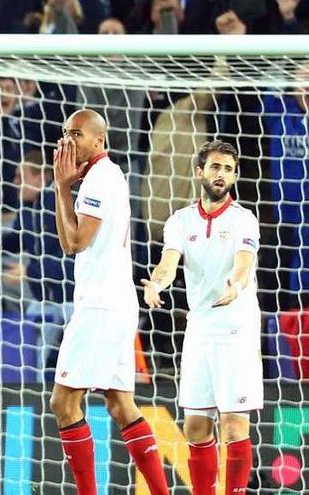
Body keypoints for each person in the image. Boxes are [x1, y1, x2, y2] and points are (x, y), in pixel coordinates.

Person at [49, 109, 168, 495]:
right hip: (115, 302)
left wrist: (59, 187)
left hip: (101, 306)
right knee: (120, 404)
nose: (69, 141)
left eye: (78, 134)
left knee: (63, 404)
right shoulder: (103, 176)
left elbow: (74, 243)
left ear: (99, 140)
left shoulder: (100, 178)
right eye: (66, 133)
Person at [142, 140, 260, 495]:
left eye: (227, 169)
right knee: (195, 426)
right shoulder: (180, 221)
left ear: (235, 176)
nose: (220, 174)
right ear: (199, 172)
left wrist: (236, 287)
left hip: (236, 330)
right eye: (215, 167)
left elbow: (243, 264)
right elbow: (168, 263)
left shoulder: (244, 220)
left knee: (235, 425)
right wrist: (155, 285)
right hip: (200, 331)